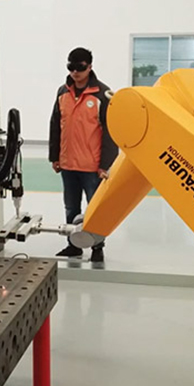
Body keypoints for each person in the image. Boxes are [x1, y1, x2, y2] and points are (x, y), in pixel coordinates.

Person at [49, 47, 118, 263]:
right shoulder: (62, 93)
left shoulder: (102, 95)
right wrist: (54, 157)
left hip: (92, 167)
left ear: (90, 67)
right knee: (71, 207)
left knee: (95, 210)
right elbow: (55, 125)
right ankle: (73, 245)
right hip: (68, 164)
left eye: (80, 68)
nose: (75, 72)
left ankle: (97, 247)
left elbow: (111, 132)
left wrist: (105, 164)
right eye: (71, 67)